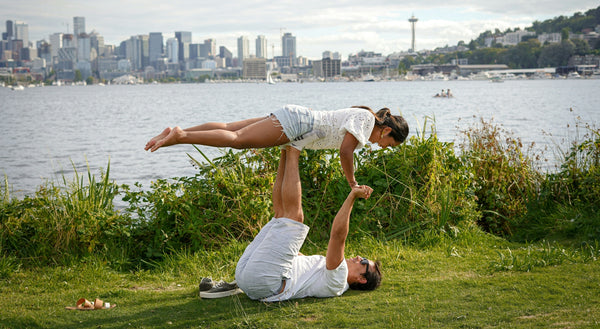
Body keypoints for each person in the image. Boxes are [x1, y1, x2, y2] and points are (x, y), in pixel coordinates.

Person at [234, 146, 381, 302]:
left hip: (264, 281)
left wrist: (352, 196)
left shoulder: (339, 280)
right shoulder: (325, 270)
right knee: (281, 217)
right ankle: (286, 148)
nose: (359, 257)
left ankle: (294, 148)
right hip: (249, 276)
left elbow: (338, 237)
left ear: (361, 279)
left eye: (363, 262)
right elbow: (296, 258)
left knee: (294, 220)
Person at [144, 104, 409, 188]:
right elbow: (345, 151)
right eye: (388, 144)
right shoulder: (365, 120)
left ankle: (179, 132)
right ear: (386, 130)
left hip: (296, 119)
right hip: (297, 123)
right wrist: (352, 183)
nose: (383, 147)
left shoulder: (363, 120)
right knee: (237, 141)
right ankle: (180, 136)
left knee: (230, 128)